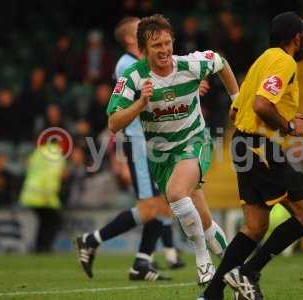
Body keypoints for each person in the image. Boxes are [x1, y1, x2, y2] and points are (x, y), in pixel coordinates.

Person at [106, 14, 239, 285]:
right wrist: (140, 103)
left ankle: (203, 264)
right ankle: (236, 271)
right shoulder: (132, 77)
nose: (165, 50)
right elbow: (113, 122)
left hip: (194, 142)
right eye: (157, 46)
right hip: (161, 157)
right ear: (143, 50)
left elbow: (220, 63)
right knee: (205, 222)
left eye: (168, 43)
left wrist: (236, 99)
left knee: (178, 195)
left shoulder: (189, 64)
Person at [75, 17, 209, 282]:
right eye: (142, 30)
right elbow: (122, 110)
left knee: (166, 204)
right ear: (131, 39)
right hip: (138, 144)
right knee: (151, 208)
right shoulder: (128, 66)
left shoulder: (149, 64)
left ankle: (141, 262)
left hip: (155, 144)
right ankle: (92, 240)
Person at [200, 12, 303, 300]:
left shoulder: (262, 60)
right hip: (259, 146)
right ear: (297, 37)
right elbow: (261, 104)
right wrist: (290, 126)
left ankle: (213, 293)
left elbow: (234, 110)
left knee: (255, 226)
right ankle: (247, 273)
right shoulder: (284, 61)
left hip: (243, 144)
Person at [19, 141, 66, 253]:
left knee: (45, 221)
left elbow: (29, 168)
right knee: (53, 221)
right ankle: (44, 247)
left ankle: (39, 247)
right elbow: (52, 175)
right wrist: (50, 197)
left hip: (30, 193)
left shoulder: (39, 152)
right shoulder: (56, 154)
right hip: (43, 195)